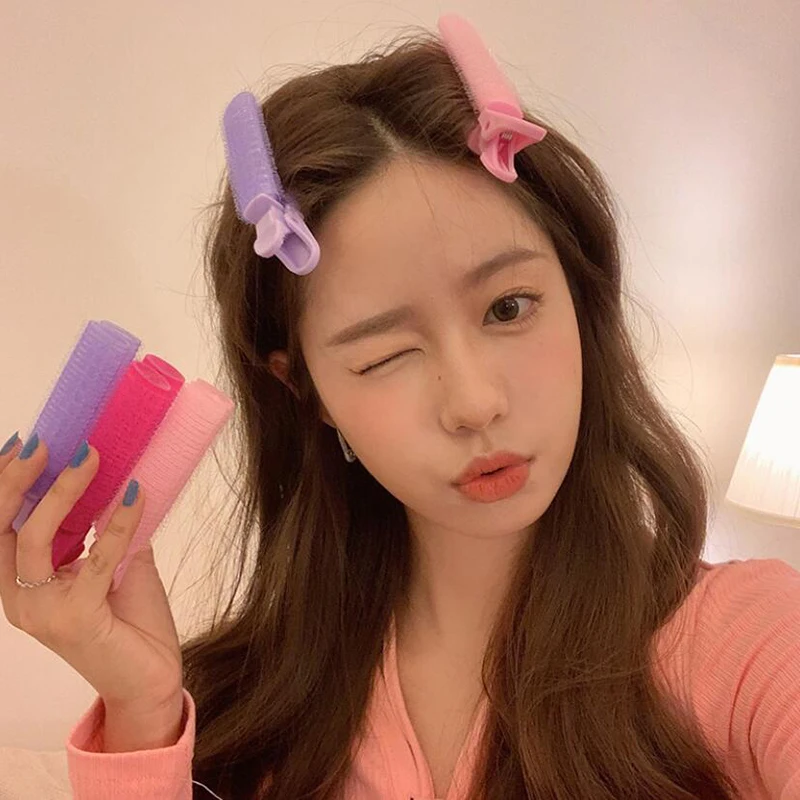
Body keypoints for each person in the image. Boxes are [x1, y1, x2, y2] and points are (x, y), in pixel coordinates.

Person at [1, 13, 799, 800]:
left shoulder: (748, 642)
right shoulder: (245, 706)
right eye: (385, 356)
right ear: (306, 392)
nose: (474, 402)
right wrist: (141, 716)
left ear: (581, 297)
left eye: (510, 308)